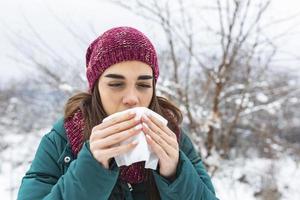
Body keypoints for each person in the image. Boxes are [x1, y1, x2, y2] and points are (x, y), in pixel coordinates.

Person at [17, 26, 218, 200]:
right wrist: (91, 168)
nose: (132, 97)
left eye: (143, 84)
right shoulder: (62, 142)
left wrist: (176, 174)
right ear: (96, 88)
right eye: (116, 84)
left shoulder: (174, 138)